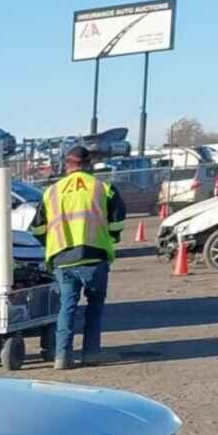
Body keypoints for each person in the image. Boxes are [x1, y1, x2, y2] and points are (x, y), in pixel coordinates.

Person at [31, 145, 126, 370]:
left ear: (67, 165)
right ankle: (91, 352)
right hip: (95, 256)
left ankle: (62, 356)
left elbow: (37, 229)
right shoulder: (104, 188)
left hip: (63, 258)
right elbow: (117, 222)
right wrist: (110, 239)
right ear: (89, 164)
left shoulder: (51, 192)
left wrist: (52, 245)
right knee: (95, 306)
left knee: (67, 307)